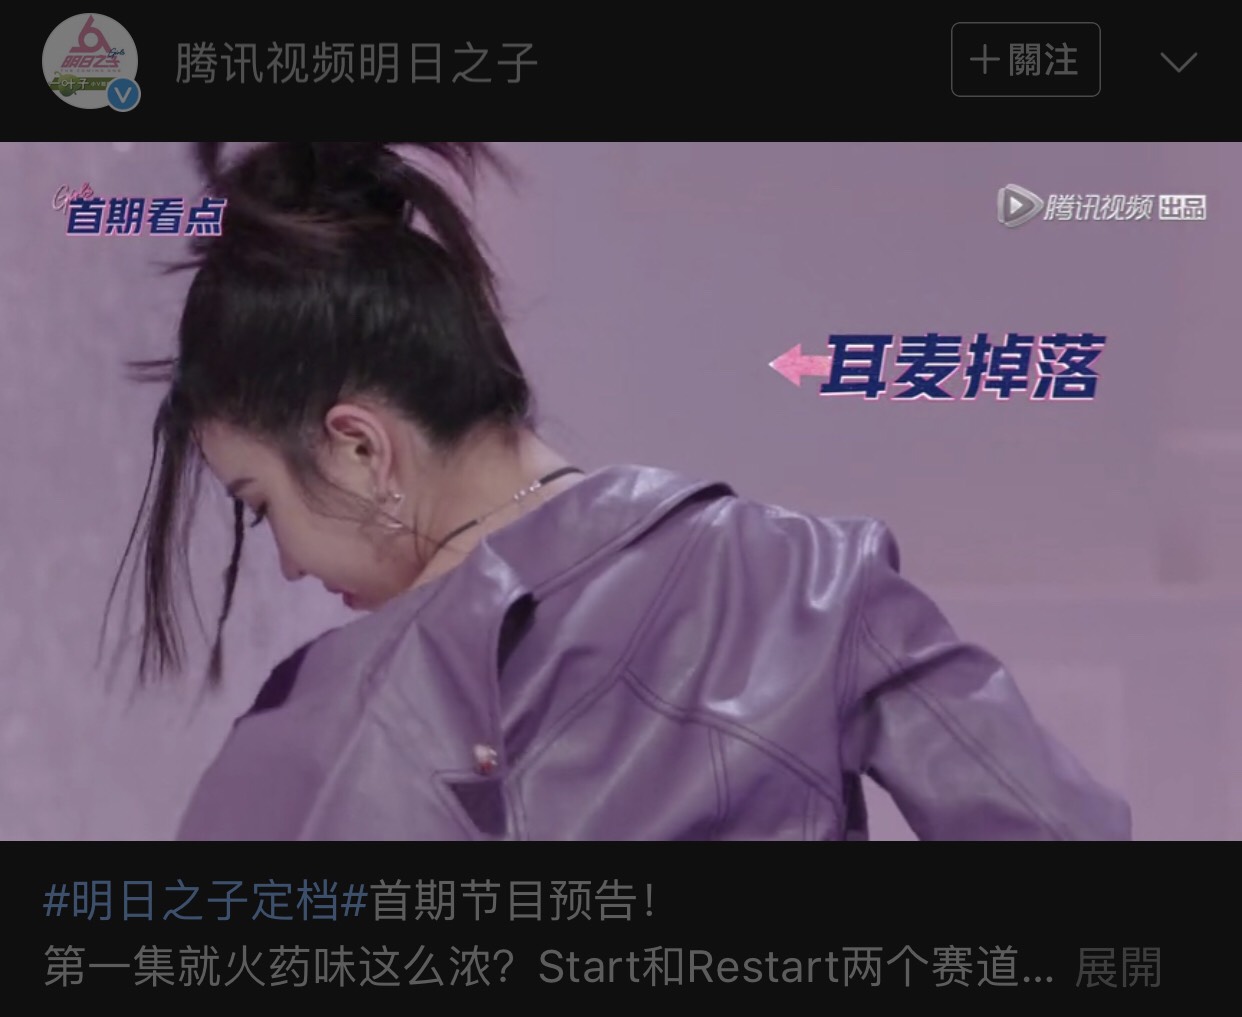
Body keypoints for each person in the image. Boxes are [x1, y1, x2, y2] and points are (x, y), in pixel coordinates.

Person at [110, 142, 1132, 841]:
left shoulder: (305, 742)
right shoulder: (806, 581)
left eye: (260, 505)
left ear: (358, 448)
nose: (289, 562)